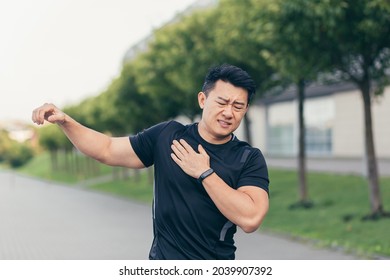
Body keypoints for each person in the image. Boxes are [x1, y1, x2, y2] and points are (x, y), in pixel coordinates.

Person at [32, 63, 269, 260]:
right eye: (222, 102)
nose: (229, 112)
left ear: (246, 109)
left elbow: (250, 218)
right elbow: (107, 148)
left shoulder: (248, 158)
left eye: (238, 106)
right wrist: (66, 122)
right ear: (202, 100)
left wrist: (204, 173)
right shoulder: (168, 135)